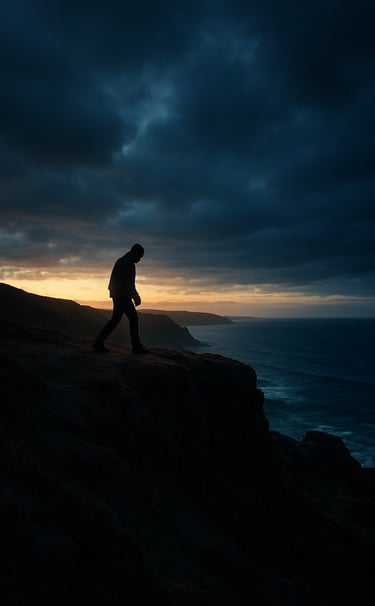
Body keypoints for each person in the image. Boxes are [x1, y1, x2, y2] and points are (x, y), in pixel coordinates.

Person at [93, 243, 149, 354]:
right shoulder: (129, 264)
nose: (139, 260)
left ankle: (98, 342)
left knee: (115, 319)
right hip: (123, 296)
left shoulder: (121, 260)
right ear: (136, 253)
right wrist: (136, 297)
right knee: (133, 319)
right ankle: (136, 348)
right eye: (139, 257)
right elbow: (129, 283)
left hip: (117, 294)